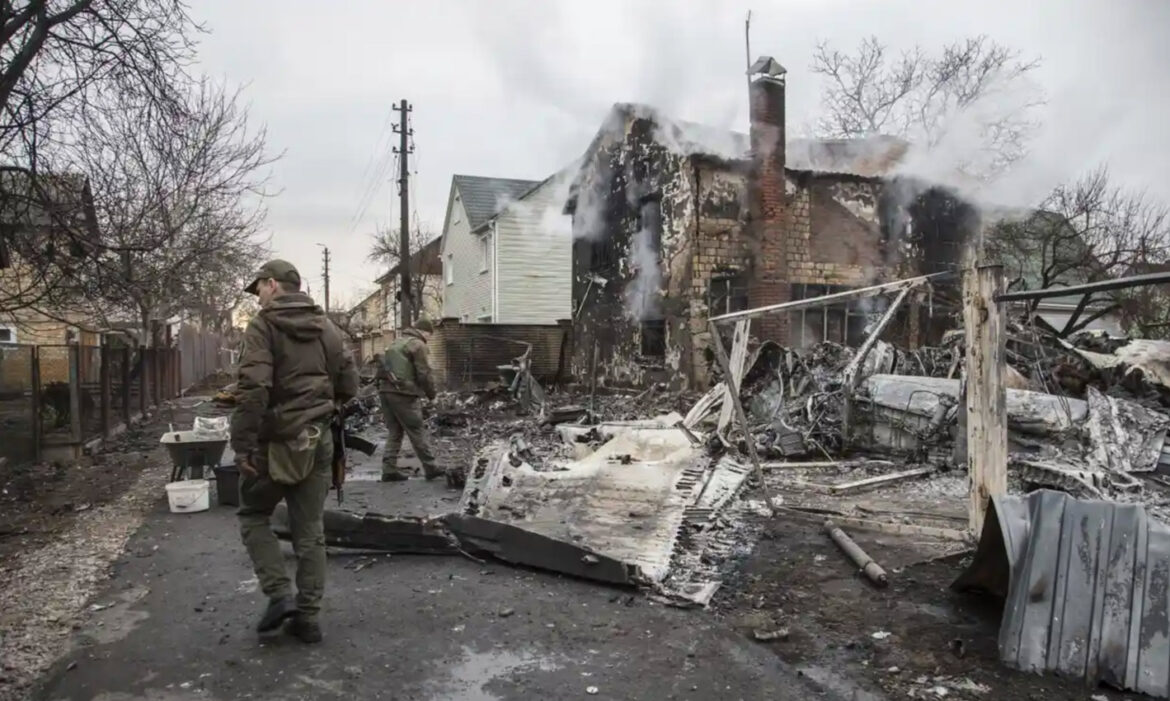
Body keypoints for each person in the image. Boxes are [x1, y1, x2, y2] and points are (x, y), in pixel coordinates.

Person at [230, 259, 358, 644]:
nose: (257, 298)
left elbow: (253, 388)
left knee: (253, 514)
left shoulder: (264, 326)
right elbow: (348, 382)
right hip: (317, 439)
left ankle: (279, 595)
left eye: (259, 290)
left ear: (273, 284)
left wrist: (242, 445)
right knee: (310, 531)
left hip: (275, 442)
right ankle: (308, 618)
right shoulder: (328, 328)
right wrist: (323, 404)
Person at [377, 318, 443, 482]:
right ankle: (431, 467)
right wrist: (432, 395)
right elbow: (424, 373)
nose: (429, 338)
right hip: (404, 393)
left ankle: (389, 469)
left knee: (395, 431)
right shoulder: (418, 345)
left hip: (385, 391)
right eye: (429, 334)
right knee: (416, 430)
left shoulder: (397, 342)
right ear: (424, 331)